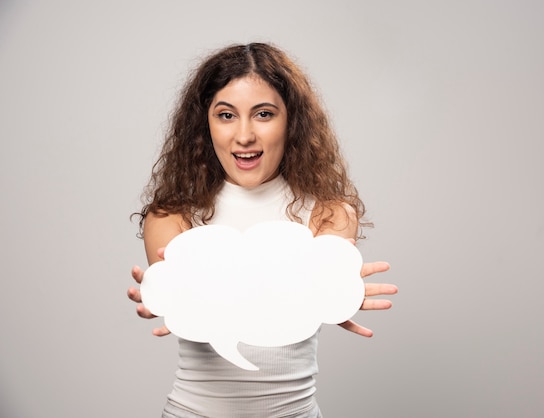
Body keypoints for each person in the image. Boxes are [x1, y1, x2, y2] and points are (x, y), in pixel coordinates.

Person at [127, 42, 398, 418]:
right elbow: (256, 305)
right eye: (226, 115)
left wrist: (336, 295)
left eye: (264, 114)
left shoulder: (328, 214)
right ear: (204, 125)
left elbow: (241, 303)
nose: (244, 136)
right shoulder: (171, 217)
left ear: (292, 122)